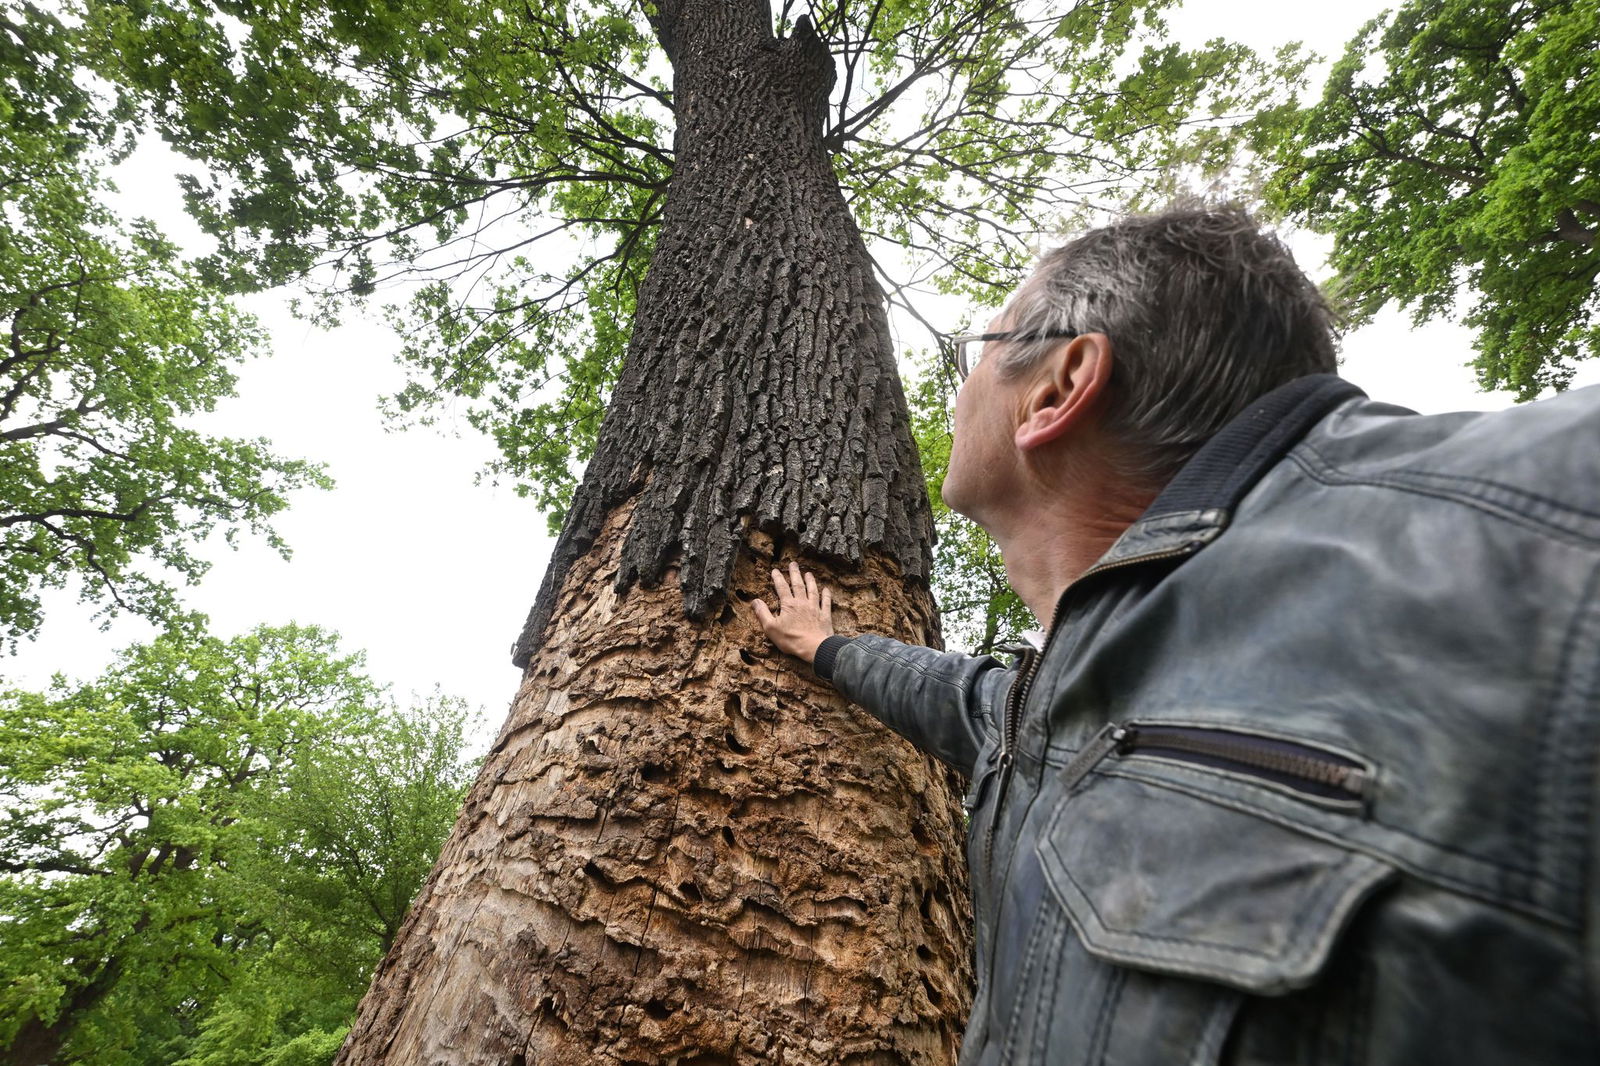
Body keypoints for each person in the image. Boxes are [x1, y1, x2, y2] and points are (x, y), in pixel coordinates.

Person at [752, 206, 1600, 1065]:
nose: (959, 389)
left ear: (1058, 387)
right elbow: (977, 707)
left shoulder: (1540, 520)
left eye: (974, 355)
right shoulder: (1072, 687)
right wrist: (831, 647)